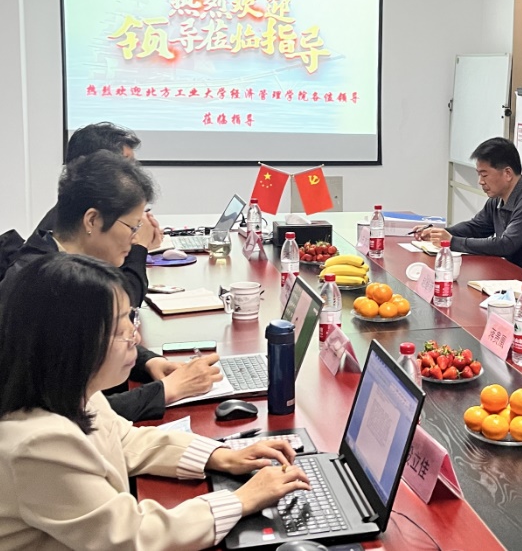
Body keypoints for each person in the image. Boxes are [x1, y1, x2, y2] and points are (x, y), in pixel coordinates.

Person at [0, 253, 310, 550]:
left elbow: (125, 440)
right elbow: (132, 538)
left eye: (131, 320)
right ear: (73, 343)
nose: (135, 338)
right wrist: (241, 500)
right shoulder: (39, 444)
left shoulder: (72, 393)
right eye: (121, 329)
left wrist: (221, 456)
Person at [1, 151, 221, 421]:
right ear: (92, 220)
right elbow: (64, 416)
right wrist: (167, 391)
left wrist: (149, 362)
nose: (136, 239)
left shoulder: (72, 267)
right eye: (132, 227)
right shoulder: (43, 287)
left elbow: (94, 340)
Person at [413, 137, 522, 268]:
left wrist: (452, 242)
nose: (480, 181)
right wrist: (440, 233)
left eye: (484, 175)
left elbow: (506, 244)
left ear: (507, 173)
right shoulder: (497, 200)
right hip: (511, 271)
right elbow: (476, 227)